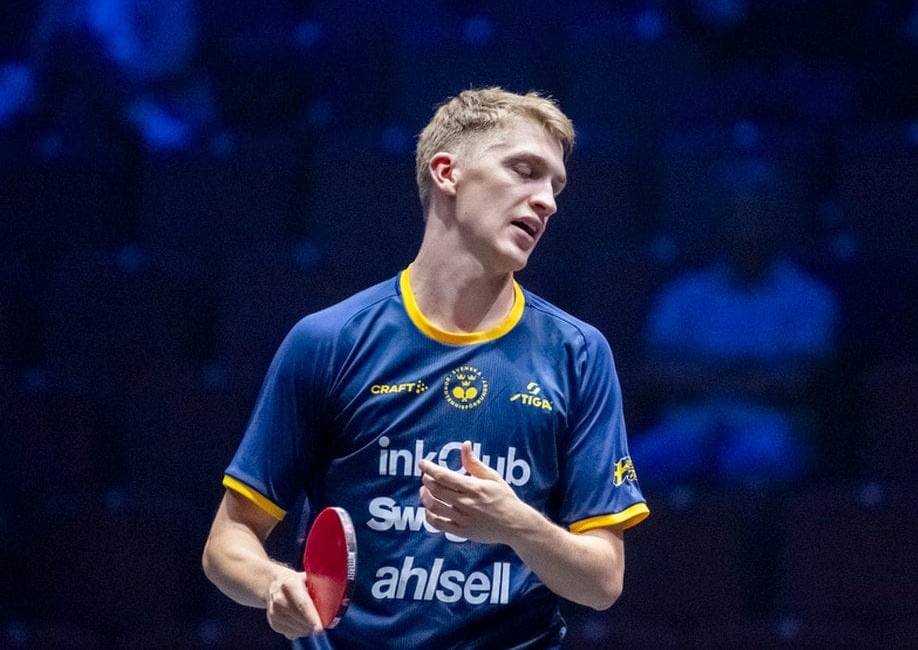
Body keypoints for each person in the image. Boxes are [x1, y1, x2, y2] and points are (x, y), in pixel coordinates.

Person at [202, 87, 649, 648]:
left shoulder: (578, 352)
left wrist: (515, 524)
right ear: (447, 173)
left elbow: (602, 582)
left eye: (555, 187)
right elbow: (228, 541)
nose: (547, 202)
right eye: (525, 171)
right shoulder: (329, 341)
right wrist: (274, 584)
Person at [631, 156, 839, 491]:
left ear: (777, 221)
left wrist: (706, 372)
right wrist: (753, 372)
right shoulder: (683, 295)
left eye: (758, 214)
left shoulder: (809, 298)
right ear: (719, 222)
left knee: (757, 459)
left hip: (769, 427)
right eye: (738, 215)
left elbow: (798, 381)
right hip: (689, 425)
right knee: (635, 465)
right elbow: (660, 371)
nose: (748, 227)